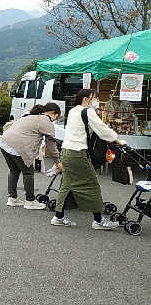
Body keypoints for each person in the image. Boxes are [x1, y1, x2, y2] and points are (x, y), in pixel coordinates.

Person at [52, 89, 126, 229]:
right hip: (78, 153)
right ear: (86, 99)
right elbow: (103, 130)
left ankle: (58, 216)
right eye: (94, 97)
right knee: (92, 185)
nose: (96, 100)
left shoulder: (73, 110)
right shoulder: (88, 112)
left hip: (66, 152)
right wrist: (117, 139)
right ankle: (98, 221)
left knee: (66, 185)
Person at [0, 102, 62, 209]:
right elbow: (51, 146)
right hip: (18, 147)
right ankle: (30, 201)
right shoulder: (46, 121)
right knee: (28, 172)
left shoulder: (30, 115)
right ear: (53, 113)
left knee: (14, 171)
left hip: (4, 142)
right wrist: (58, 161)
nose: (54, 120)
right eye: (56, 117)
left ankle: (12, 198)